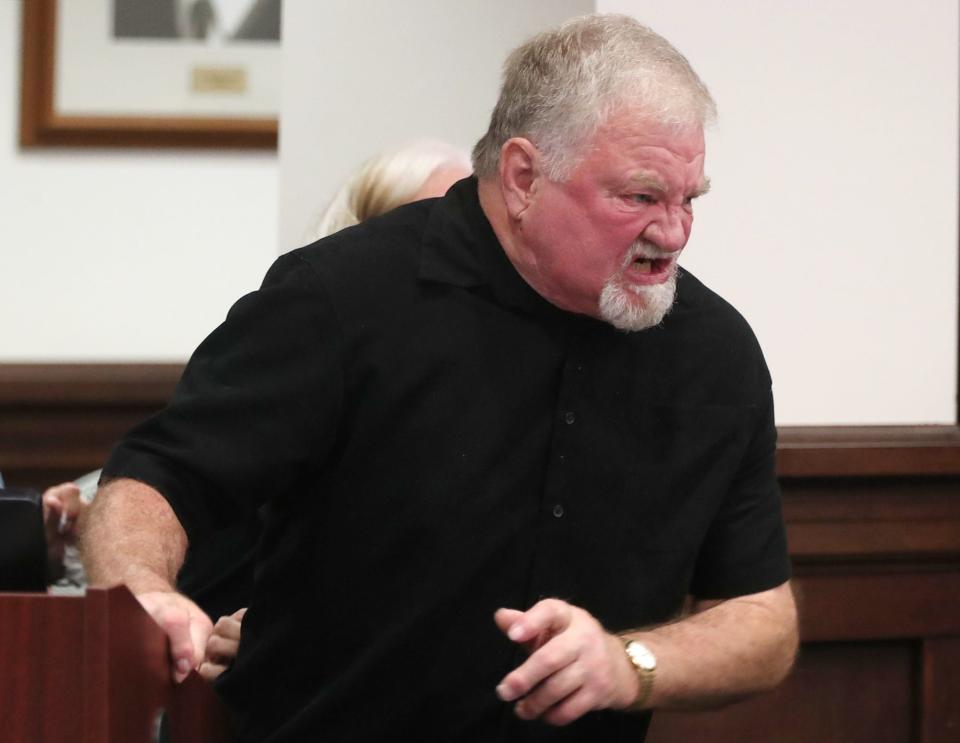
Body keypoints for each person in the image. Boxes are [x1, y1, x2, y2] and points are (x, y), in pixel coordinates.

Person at [80, 14, 797, 742]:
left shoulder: (715, 353)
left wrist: (629, 661)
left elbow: (762, 618)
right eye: (640, 197)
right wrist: (139, 589)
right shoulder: (342, 299)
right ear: (522, 177)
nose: (672, 232)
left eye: (689, 198)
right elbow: (158, 478)